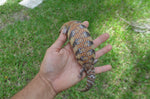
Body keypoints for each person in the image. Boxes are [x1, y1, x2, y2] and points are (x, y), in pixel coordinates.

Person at [12, 21, 112, 99]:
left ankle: (86, 69)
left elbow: (64, 30)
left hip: (85, 59)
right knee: (88, 65)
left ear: (64, 29)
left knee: (86, 65)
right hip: (90, 57)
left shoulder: (67, 28)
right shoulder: (76, 24)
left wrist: (45, 82)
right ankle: (88, 67)